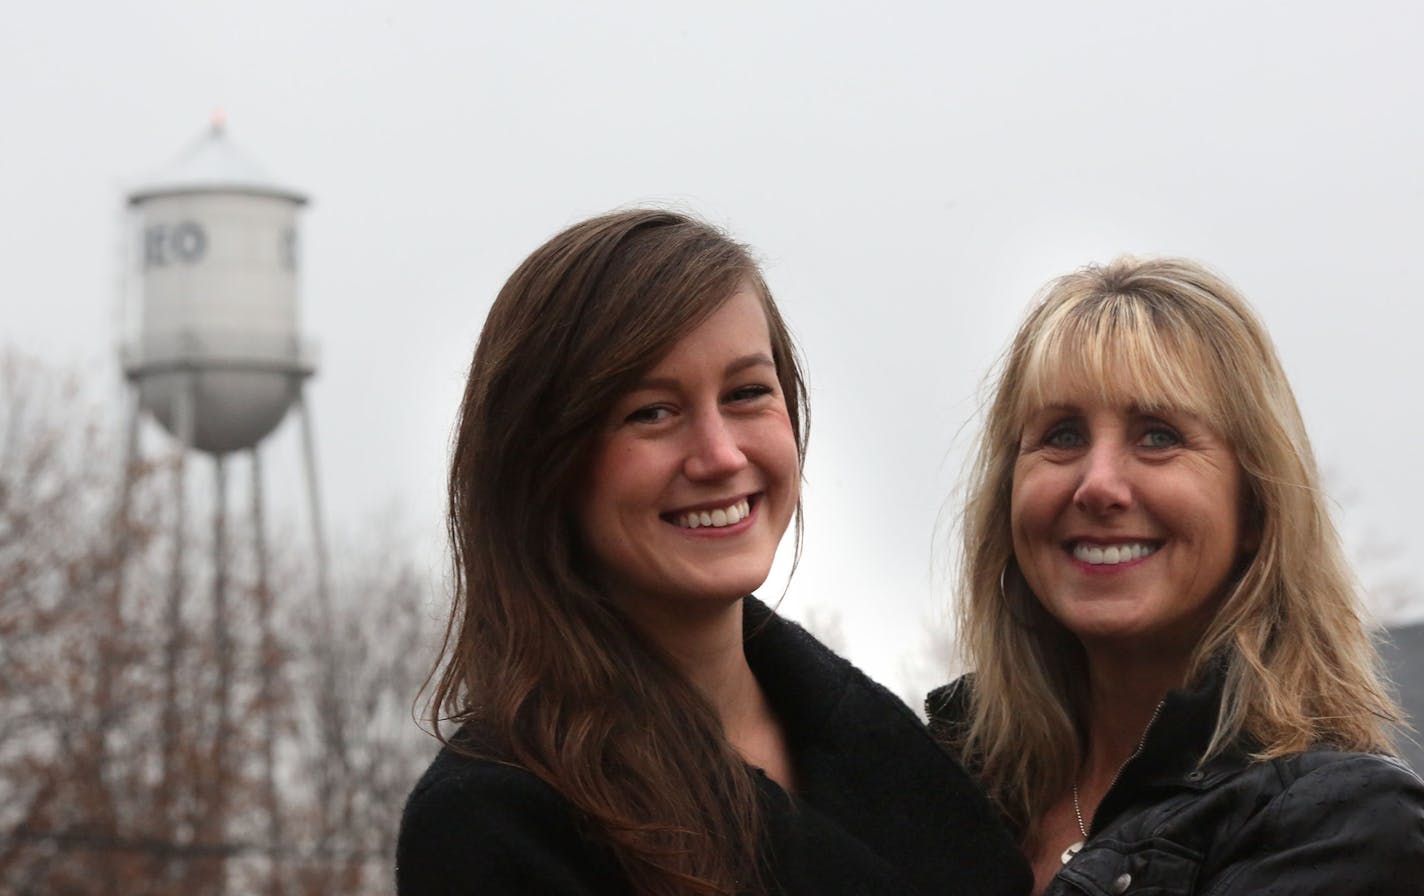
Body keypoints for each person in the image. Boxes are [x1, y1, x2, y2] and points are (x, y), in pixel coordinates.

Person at [397, 209, 1030, 896]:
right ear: (544, 465)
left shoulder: (915, 758)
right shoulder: (494, 823)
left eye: (747, 394)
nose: (720, 455)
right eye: (652, 412)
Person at [928, 256, 1424, 894]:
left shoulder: (1347, 826)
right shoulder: (927, 787)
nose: (1098, 484)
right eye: (1063, 435)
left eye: (1158, 436)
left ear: (1255, 505)